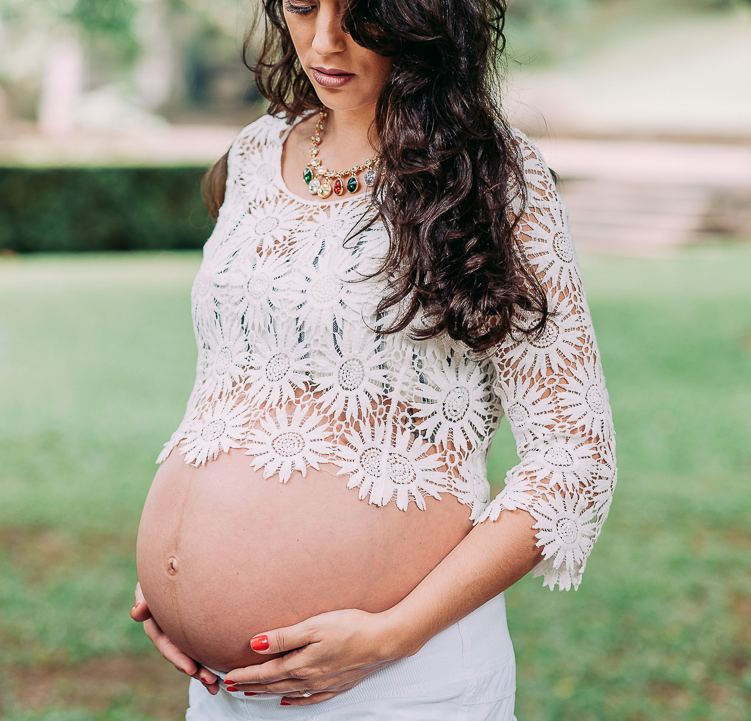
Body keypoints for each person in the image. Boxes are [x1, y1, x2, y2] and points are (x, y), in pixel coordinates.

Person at [130, 0, 616, 718]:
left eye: (361, 14)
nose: (324, 40)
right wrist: (176, 581)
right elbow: (232, 386)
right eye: (302, 5)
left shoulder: (494, 181)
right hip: (226, 691)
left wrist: (393, 634)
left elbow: (575, 459)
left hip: (397, 683)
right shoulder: (257, 154)